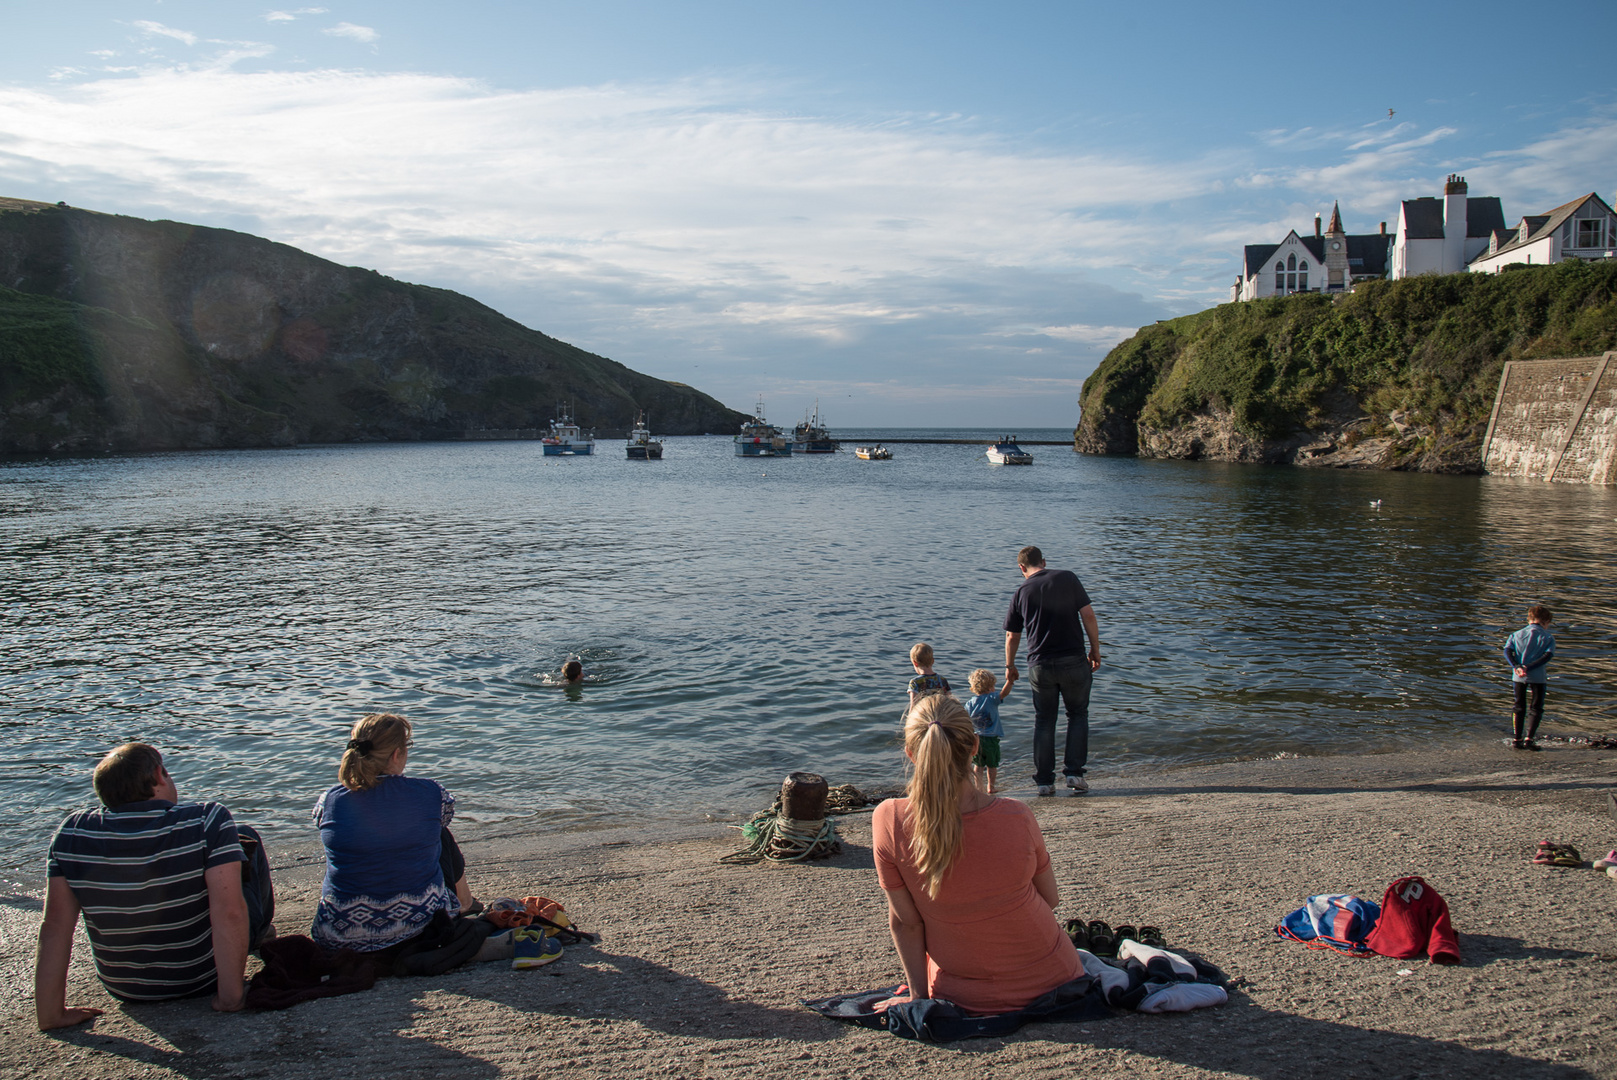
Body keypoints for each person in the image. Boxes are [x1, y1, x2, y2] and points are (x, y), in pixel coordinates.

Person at [35, 743, 275, 1029]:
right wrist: (230, 998)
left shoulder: (72, 832)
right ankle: (259, 934)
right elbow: (230, 912)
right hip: (200, 977)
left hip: (125, 987)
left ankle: (50, 1012)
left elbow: (55, 927)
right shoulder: (207, 820)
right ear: (160, 775)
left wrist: (51, 1014)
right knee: (243, 837)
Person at [871, 695, 1082, 1015]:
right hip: (1055, 980)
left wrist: (918, 998)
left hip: (962, 995)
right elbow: (1049, 898)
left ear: (912, 754)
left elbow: (906, 924)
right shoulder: (1017, 816)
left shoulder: (890, 819)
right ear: (974, 746)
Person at [311, 714, 477, 952]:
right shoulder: (431, 793)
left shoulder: (329, 800)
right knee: (439, 832)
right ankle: (464, 903)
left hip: (338, 933)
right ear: (397, 754)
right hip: (419, 927)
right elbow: (441, 819)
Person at [1004, 545, 1102, 796]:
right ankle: (1074, 774)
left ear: (1021, 568)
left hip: (1040, 664)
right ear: (1044, 562)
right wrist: (1095, 650)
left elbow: (1012, 635)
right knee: (1078, 714)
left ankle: (1045, 782)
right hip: (1074, 660)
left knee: (1044, 721)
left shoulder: (1021, 592)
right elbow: (1088, 615)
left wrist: (1010, 666)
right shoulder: (1067, 577)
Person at [1503, 605, 1555, 750]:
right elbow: (1547, 656)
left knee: (1519, 706)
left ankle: (1517, 739)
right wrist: (1529, 667)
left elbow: (1507, 651)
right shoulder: (1547, 637)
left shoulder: (1516, 634)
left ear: (1529, 619)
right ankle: (1529, 739)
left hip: (1518, 676)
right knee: (1536, 707)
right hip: (1538, 676)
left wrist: (1517, 666)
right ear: (1546, 621)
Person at [963, 668, 1015, 794]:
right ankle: (991, 787)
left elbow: (965, 719)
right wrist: (1010, 681)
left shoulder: (970, 703)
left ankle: (978, 788)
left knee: (978, 765)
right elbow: (1004, 693)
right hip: (991, 739)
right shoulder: (991, 698)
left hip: (977, 738)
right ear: (990, 686)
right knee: (992, 765)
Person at [907, 642, 952, 709]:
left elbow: (913, 706)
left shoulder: (915, 682)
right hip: (941, 715)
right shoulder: (942, 680)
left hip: (923, 716)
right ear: (933, 661)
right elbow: (950, 702)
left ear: (915, 663)